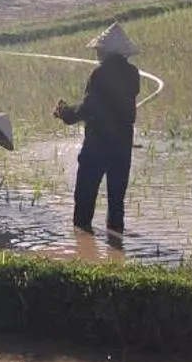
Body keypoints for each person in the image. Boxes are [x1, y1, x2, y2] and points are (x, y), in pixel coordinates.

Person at [54, 22, 141, 233]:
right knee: (116, 198)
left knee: (85, 195)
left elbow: (88, 108)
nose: (97, 54)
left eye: (99, 51)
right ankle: (116, 243)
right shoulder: (133, 74)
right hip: (122, 143)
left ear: (105, 51)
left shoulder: (99, 74)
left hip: (99, 141)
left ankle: (82, 241)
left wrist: (65, 112)